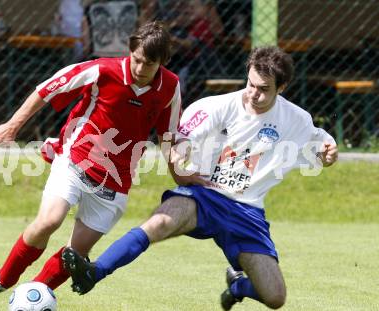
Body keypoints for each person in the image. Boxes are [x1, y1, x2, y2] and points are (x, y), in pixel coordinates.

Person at [61, 46, 339, 310]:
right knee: (159, 222)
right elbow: (182, 136)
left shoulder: (296, 120)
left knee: (276, 297)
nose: (253, 93)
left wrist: (328, 154)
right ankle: (94, 272)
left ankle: (238, 286)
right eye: (251, 84)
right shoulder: (218, 106)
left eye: (264, 89)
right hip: (205, 194)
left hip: (247, 212)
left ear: (282, 88)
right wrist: (180, 154)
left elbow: (322, 148)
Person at [0, 21, 206, 304]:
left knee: (75, 254)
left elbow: (168, 137)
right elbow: (47, 89)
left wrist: (179, 174)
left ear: (163, 61)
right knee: (48, 221)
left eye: (149, 64)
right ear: (130, 52)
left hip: (117, 179)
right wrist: (12, 125)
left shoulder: (171, 87)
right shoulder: (102, 69)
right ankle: (2, 279)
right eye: (137, 60)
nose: (140, 69)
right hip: (75, 160)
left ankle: (32, 296)